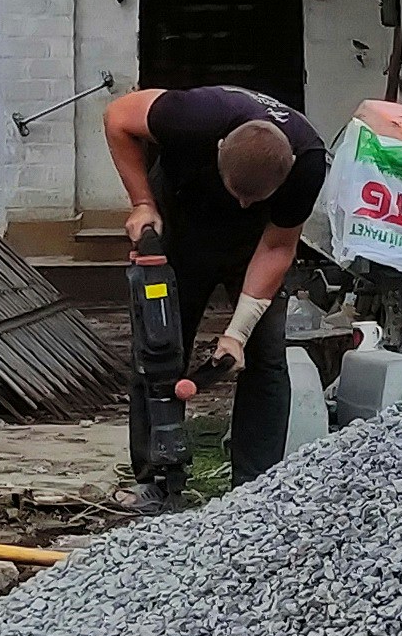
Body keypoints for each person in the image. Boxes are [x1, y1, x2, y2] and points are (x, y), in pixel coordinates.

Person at [100, 81, 330, 510]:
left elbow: (278, 247)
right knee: (159, 348)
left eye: (253, 198)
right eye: (236, 193)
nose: (242, 203)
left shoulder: (308, 164)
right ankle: (157, 481)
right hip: (182, 224)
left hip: (254, 245)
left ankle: (254, 488)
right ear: (219, 148)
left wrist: (237, 333)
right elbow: (118, 118)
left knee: (265, 357)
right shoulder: (193, 116)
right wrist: (141, 203)